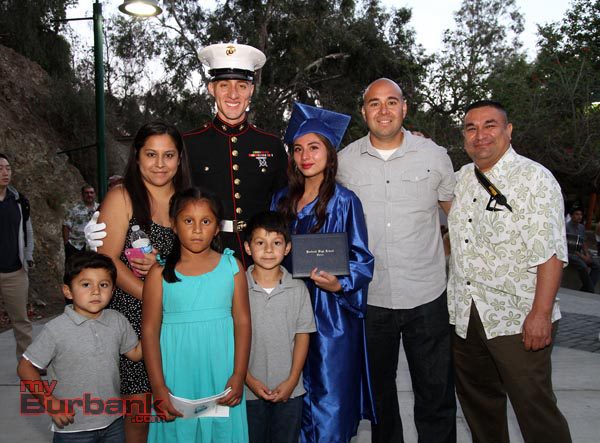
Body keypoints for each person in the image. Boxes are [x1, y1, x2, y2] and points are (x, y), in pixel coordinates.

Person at [337, 78, 456, 443]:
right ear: (364, 112)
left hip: (427, 295)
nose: (384, 110)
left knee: (435, 393)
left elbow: (456, 216)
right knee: (380, 398)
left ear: (404, 107)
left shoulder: (434, 155)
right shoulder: (344, 162)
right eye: (374, 103)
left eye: (392, 101)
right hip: (371, 297)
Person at [447, 100, 572, 442]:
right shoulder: (461, 179)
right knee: (479, 407)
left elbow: (551, 253)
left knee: (535, 410)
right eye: (471, 128)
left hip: (516, 317)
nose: (480, 135)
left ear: (508, 130)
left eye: (490, 125)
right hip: (466, 314)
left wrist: (541, 314)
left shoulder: (534, 179)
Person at [272, 103, 375, 443]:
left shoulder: (345, 201)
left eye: (314, 147)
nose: (305, 156)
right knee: (292, 393)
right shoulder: (281, 200)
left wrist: (339, 283)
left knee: (330, 396)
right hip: (288, 308)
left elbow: (363, 260)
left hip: (331, 313)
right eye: (298, 149)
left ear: (330, 154)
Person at [97, 121, 191, 442]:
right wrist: (152, 297)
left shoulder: (189, 202)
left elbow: (200, 260)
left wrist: (165, 271)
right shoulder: (121, 197)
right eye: (151, 154)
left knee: (176, 409)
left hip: (178, 318)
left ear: (180, 159)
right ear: (137, 156)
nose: (160, 164)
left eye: (168, 155)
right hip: (131, 321)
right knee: (137, 414)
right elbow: (108, 260)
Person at [142, 187, 251, 441]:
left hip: (222, 373)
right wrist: (158, 386)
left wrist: (239, 374)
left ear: (217, 228)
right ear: (174, 224)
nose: (197, 229)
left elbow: (243, 322)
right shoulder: (158, 274)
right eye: (188, 221)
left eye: (206, 221)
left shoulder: (232, 267)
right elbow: (149, 331)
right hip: (175, 374)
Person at [17, 251, 142, 442]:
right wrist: (49, 402)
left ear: (113, 290)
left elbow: (135, 353)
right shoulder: (56, 329)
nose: (96, 291)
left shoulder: (117, 320)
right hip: (73, 427)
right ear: (68, 291)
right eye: (86, 284)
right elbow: (25, 367)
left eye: (103, 284)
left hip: (114, 422)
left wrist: (157, 326)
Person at [186, 43, 288, 266]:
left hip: (260, 258)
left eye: (241, 86)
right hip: (206, 253)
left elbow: (286, 205)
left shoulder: (271, 145)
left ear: (251, 90)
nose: (233, 94)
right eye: (224, 85)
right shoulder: (189, 143)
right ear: (211, 89)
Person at [243, 211, 316, 443]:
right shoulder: (237, 287)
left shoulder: (298, 288)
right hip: (247, 391)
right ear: (247, 248)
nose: (268, 250)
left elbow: (303, 336)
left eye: (276, 243)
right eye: (260, 243)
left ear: (287, 248)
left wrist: (292, 380)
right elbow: (230, 338)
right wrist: (247, 379)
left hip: (290, 391)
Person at [0, 152, 33, 361]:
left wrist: (28, 257)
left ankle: (28, 361)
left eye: (8, 168)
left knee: (21, 320)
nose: (5, 173)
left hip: (15, 271)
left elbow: (27, 230)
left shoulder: (19, 200)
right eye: (0, 169)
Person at [566, 207, 600, 292]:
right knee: (583, 266)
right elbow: (570, 247)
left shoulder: (581, 227)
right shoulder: (566, 227)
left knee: (596, 266)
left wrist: (587, 254)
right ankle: (590, 290)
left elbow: (583, 242)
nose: (579, 216)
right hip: (570, 253)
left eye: (581, 214)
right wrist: (583, 257)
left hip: (580, 254)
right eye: (577, 214)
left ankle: (586, 289)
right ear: (571, 216)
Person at [62, 184, 99, 262]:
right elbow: (66, 225)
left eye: (91, 192)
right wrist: (66, 243)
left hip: (94, 245)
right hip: (76, 245)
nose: (89, 195)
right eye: (87, 193)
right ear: (82, 195)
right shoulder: (74, 209)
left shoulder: (100, 208)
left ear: (95, 194)